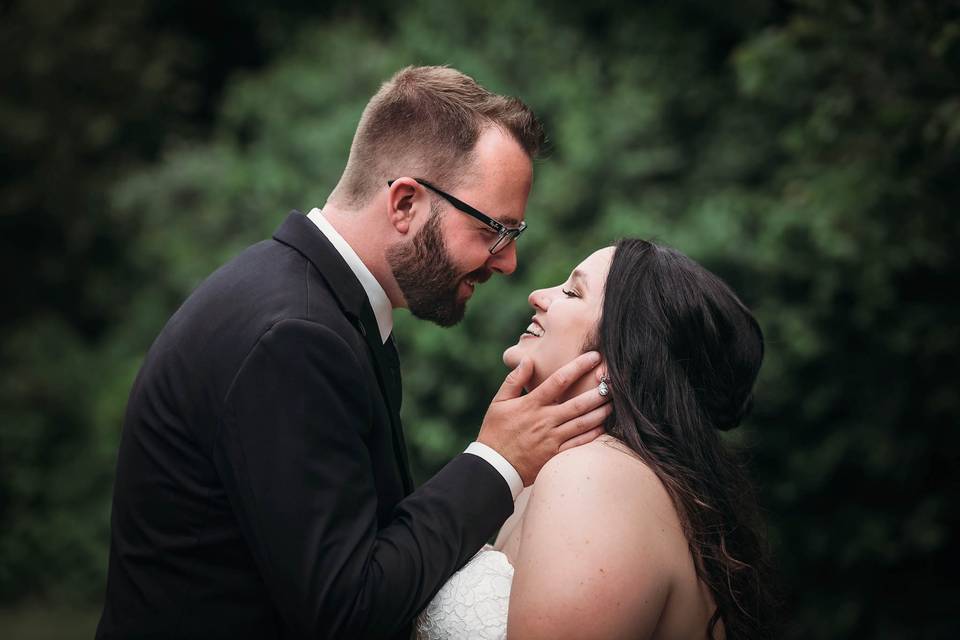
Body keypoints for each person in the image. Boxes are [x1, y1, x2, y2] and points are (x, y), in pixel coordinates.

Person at [95, 66, 612, 640]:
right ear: (405, 204)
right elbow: (345, 611)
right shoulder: (294, 338)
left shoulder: (313, 304)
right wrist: (497, 462)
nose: (506, 262)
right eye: (495, 229)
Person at [415, 239, 776, 639]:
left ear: (622, 354)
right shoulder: (558, 476)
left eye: (572, 292)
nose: (538, 296)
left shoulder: (594, 477)